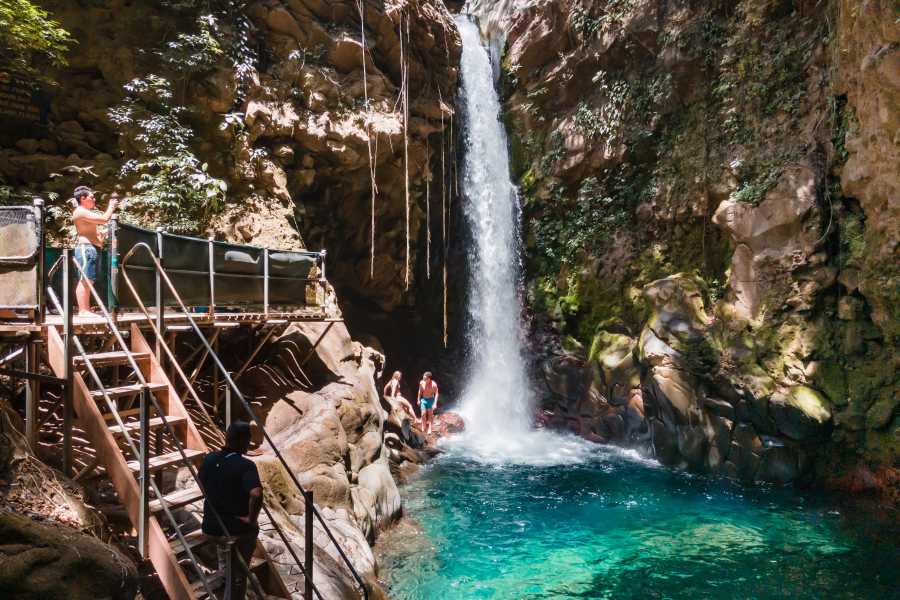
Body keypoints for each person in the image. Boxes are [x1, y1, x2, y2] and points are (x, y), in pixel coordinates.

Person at [198, 421, 262, 600]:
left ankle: (225, 574)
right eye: (248, 438)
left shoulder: (210, 459)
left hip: (210, 527)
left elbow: (201, 481)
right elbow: (256, 494)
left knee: (227, 557)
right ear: (243, 440)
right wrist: (251, 519)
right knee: (239, 578)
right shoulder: (246, 465)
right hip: (233, 531)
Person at [71, 187, 117, 316]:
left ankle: (86, 309)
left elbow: (91, 232)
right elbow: (103, 219)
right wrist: (111, 206)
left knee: (89, 280)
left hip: (92, 248)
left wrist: (101, 234)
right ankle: (83, 310)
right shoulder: (80, 211)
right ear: (83, 198)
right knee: (85, 279)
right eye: (92, 197)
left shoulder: (85, 212)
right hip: (86, 248)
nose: (94, 199)